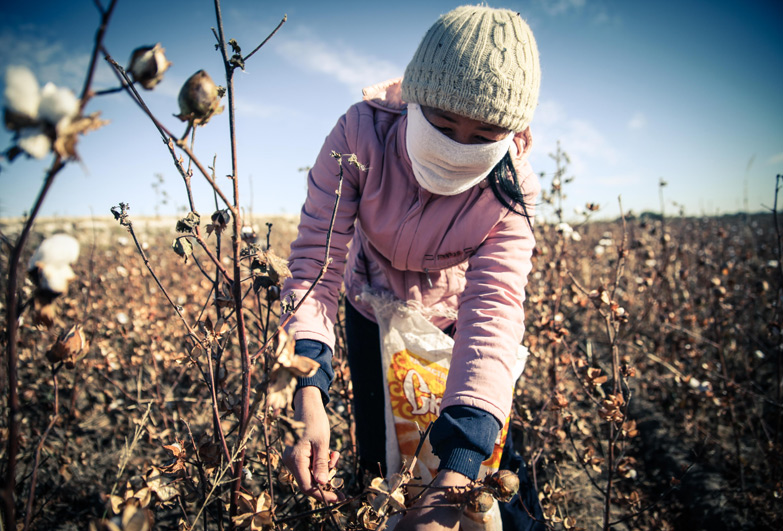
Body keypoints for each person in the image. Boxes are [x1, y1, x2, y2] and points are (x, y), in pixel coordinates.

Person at [281, 5, 544, 529]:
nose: (456, 148)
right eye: (443, 124)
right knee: (383, 457)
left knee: (487, 471)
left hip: (451, 321)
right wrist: (306, 388)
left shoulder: (511, 189)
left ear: (512, 133)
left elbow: (493, 312)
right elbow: (316, 262)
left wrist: (459, 471)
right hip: (367, 307)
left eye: (484, 134)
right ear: (413, 102)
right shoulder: (361, 134)